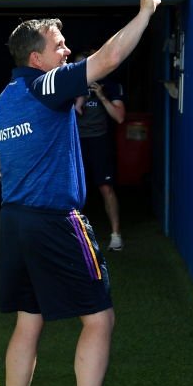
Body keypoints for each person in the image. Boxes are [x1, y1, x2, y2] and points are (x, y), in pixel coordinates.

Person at [0, 0, 161, 386]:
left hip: (14, 222)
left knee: (29, 319)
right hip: (54, 220)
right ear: (36, 57)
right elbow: (107, 58)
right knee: (99, 318)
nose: (67, 51)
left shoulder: (4, 100)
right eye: (59, 44)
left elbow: (0, 164)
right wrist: (145, 12)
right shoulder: (45, 86)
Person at [74, 58, 126, 251]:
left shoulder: (110, 86)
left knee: (106, 188)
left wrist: (101, 96)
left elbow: (120, 117)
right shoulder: (70, 84)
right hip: (76, 141)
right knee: (74, 190)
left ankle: (116, 236)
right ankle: (73, 237)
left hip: (99, 141)